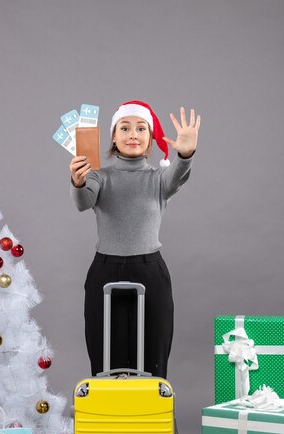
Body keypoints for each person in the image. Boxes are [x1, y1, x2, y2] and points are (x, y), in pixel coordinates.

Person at [70, 100, 200, 377]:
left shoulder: (158, 179)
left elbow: (177, 176)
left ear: (150, 138)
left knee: (153, 352)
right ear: (114, 137)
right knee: (105, 353)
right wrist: (78, 182)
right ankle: (108, 412)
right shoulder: (98, 176)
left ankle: (150, 413)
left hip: (149, 270)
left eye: (141, 128)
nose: (133, 134)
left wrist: (186, 154)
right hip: (105, 270)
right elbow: (83, 202)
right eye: (125, 128)